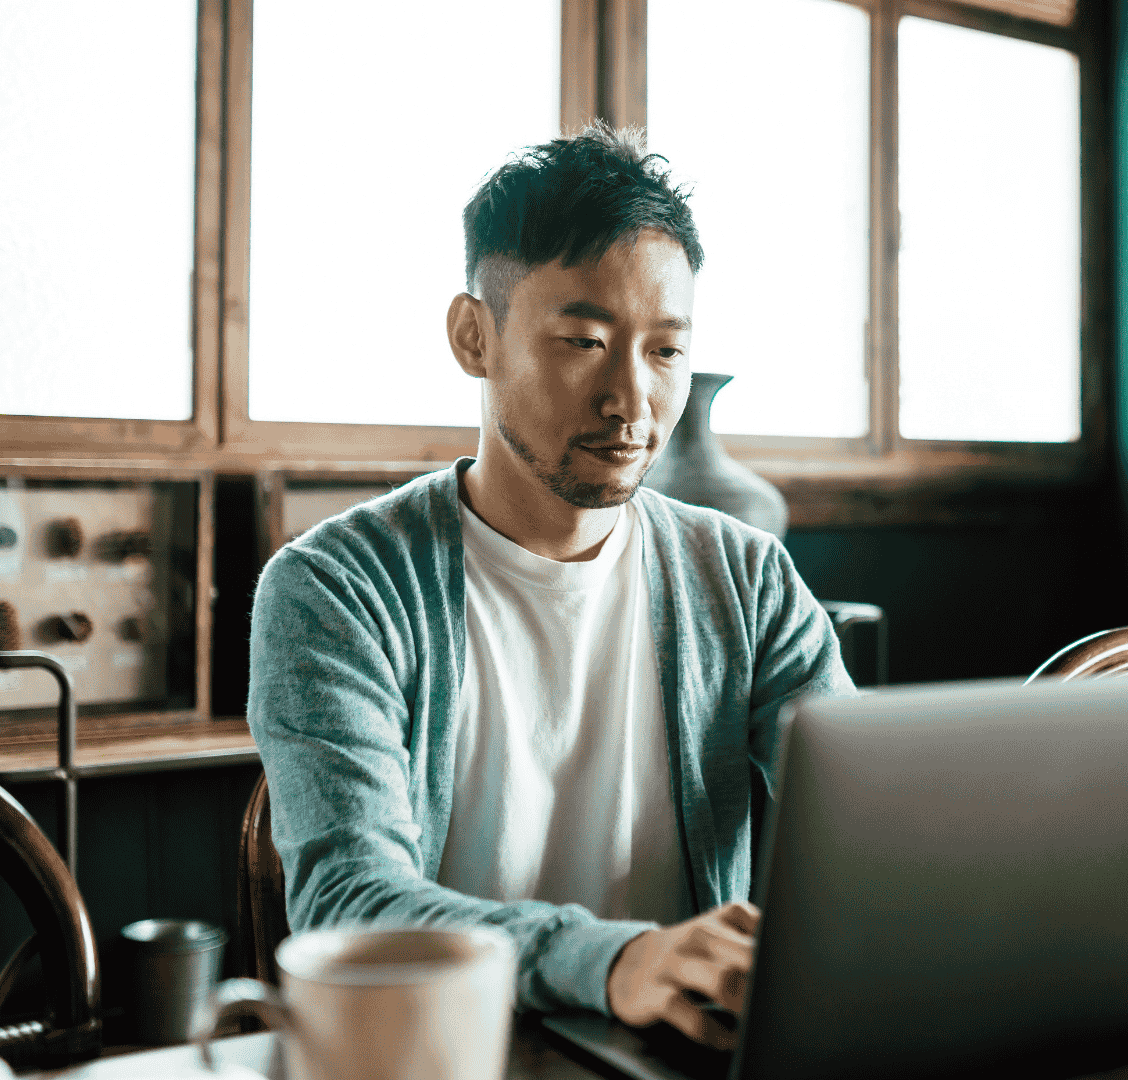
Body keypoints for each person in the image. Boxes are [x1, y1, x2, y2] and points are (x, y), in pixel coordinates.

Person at [246, 124, 853, 1051]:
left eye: (665, 352)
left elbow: (865, 823)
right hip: (451, 1055)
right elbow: (348, 901)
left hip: (678, 1055)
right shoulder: (334, 589)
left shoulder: (744, 576)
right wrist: (614, 962)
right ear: (473, 337)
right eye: (584, 340)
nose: (632, 400)